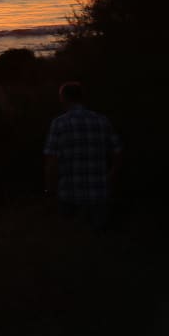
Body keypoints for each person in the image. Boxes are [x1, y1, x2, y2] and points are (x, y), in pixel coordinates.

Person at [43, 82, 122, 230]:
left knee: (71, 241)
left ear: (64, 98)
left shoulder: (59, 123)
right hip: (99, 193)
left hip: (69, 194)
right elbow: (118, 152)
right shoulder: (102, 120)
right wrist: (111, 175)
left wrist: (49, 190)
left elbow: (51, 162)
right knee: (98, 243)